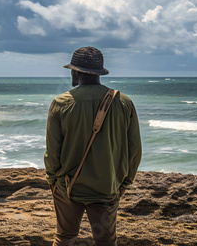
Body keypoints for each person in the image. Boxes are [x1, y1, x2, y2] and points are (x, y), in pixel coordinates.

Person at [44, 47, 142, 246]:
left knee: (65, 237)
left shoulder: (61, 103)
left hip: (68, 186)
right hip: (107, 187)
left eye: (72, 69)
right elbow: (135, 150)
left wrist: (53, 180)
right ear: (99, 73)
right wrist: (125, 183)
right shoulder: (124, 102)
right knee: (106, 240)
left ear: (76, 71)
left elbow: (53, 151)